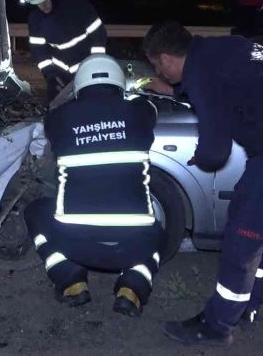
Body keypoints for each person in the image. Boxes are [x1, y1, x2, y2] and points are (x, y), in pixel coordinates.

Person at [142, 20, 263, 347]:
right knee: (256, 232)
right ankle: (245, 307)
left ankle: (217, 326)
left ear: (167, 59)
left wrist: (199, 157)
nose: (159, 72)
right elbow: (226, 86)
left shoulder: (203, 76)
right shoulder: (216, 50)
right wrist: (174, 91)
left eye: (157, 66)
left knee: (243, 240)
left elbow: (216, 152)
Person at [24, 53, 163, 317]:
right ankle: (133, 287)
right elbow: (151, 110)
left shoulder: (59, 118)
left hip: (75, 244)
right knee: (157, 233)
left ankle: (70, 280)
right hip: (134, 246)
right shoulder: (139, 112)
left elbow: (51, 124)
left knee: (34, 211)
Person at [21, 0, 108, 102]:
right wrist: (50, 76)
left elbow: (99, 35)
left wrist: (94, 65)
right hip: (59, 76)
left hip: (88, 72)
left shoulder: (78, 7)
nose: (43, 6)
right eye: (38, 2)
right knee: (56, 113)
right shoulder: (35, 20)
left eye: (45, 0)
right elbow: (40, 53)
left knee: (92, 108)